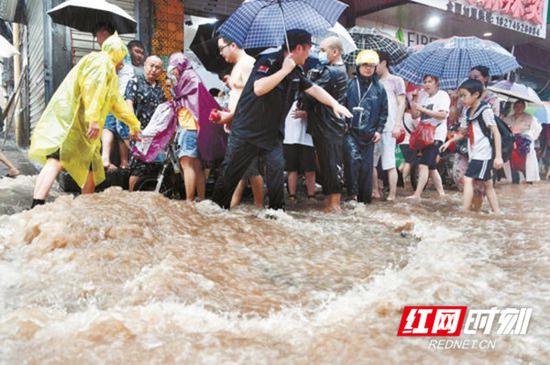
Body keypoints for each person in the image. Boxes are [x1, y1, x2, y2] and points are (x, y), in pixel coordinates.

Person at [211, 29, 352, 210]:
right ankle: (214, 214)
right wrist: (284, 70)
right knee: (229, 176)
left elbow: (313, 89)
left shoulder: (296, 71)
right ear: (299, 48)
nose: (311, 54)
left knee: (277, 175)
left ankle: (276, 214)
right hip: (247, 131)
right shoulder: (268, 61)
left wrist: (334, 104)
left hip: (272, 135)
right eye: (309, 49)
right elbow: (259, 88)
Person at [29, 34, 140, 208]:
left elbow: (117, 103)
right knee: (57, 160)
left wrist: (135, 125)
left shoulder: (109, 71)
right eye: (123, 58)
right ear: (116, 53)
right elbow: (91, 88)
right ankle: (37, 205)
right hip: (73, 124)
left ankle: (85, 210)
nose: (123, 63)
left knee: (91, 169)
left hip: (85, 131)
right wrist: (94, 119)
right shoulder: (101, 62)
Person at [440, 79, 503, 213]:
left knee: (468, 179)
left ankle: (465, 211)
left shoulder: (485, 110)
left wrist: (498, 157)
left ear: (476, 95)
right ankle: (497, 212)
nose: (461, 99)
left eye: (464, 95)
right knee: (487, 185)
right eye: (460, 95)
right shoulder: (467, 112)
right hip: (474, 153)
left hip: (483, 154)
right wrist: (449, 142)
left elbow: (496, 133)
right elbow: (462, 133)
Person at [216, 36, 264, 208]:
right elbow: (242, 93)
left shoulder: (247, 63)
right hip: (238, 121)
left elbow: (253, 96)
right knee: (240, 169)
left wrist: (231, 116)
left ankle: (259, 207)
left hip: (246, 124)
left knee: (250, 169)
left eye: (222, 48)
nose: (221, 53)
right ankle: (231, 205)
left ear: (233, 45)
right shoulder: (239, 65)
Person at [301, 36, 348, 211]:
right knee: (327, 164)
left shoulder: (332, 72)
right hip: (325, 124)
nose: (319, 54)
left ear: (335, 52)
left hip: (329, 125)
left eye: (322, 50)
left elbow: (310, 93)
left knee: (331, 164)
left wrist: (304, 79)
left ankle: (334, 204)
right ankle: (330, 201)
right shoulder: (334, 69)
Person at [343, 50, 388, 204]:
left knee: (366, 169)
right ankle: (352, 196)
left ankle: (364, 201)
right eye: (365, 65)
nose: (368, 68)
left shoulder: (380, 89)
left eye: (371, 65)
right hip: (351, 133)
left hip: (369, 135)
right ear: (358, 66)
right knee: (352, 162)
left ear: (376, 67)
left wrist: (379, 130)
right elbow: (341, 106)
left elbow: (384, 111)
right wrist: (343, 125)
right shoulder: (349, 85)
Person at [167, 53, 209, 201]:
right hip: (195, 127)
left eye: (173, 68)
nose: (172, 72)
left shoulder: (188, 77)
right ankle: (201, 200)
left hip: (188, 125)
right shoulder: (193, 76)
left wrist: (172, 85)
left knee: (187, 164)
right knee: (197, 166)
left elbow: (178, 96)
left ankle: (189, 201)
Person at [126, 56, 167, 191]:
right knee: (138, 167)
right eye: (151, 66)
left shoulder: (160, 89)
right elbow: (129, 103)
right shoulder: (135, 81)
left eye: (158, 68)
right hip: (139, 132)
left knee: (153, 167)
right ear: (145, 66)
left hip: (155, 134)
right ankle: (131, 197)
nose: (154, 70)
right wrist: (133, 126)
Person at [406, 75, 449, 200]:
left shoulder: (443, 95)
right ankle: (442, 194)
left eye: (430, 81)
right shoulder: (423, 96)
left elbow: (442, 115)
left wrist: (423, 109)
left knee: (423, 164)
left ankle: (417, 194)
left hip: (436, 135)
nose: (426, 84)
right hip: (424, 136)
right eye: (424, 82)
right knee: (431, 167)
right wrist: (414, 102)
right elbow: (415, 116)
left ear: (436, 82)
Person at [101, 41, 142, 171]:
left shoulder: (115, 64)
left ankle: (114, 160)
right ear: (128, 51)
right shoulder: (125, 66)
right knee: (116, 129)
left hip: (113, 100)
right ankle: (115, 160)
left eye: (142, 52)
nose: (140, 55)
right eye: (136, 51)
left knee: (115, 130)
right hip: (120, 101)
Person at [374, 51, 406, 201]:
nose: (373, 67)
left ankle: (392, 194)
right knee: (372, 163)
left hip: (389, 126)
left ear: (384, 63)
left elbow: (401, 103)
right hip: (374, 128)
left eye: (376, 64)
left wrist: (397, 125)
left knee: (389, 162)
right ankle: (376, 191)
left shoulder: (396, 80)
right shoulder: (373, 81)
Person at [284, 100, 316, 202]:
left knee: (310, 169)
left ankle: (311, 196)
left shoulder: (310, 95)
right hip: (289, 137)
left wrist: (307, 114)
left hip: (307, 138)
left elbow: (319, 111)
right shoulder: (286, 94)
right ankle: (292, 196)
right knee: (291, 168)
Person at [504, 100, 541, 183]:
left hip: (524, 145)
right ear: (514, 107)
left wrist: (527, 136)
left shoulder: (530, 118)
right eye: (516, 106)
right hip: (512, 145)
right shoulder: (507, 118)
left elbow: (536, 131)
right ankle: (515, 182)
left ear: (524, 107)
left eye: (521, 106)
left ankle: (529, 181)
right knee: (512, 165)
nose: (518, 108)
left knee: (526, 165)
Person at [398, 97, 418, 191]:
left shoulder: (394, 117)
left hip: (397, 144)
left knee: (401, 164)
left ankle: (401, 181)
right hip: (409, 144)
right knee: (408, 163)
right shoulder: (409, 116)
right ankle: (405, 181)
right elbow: (417, 128)